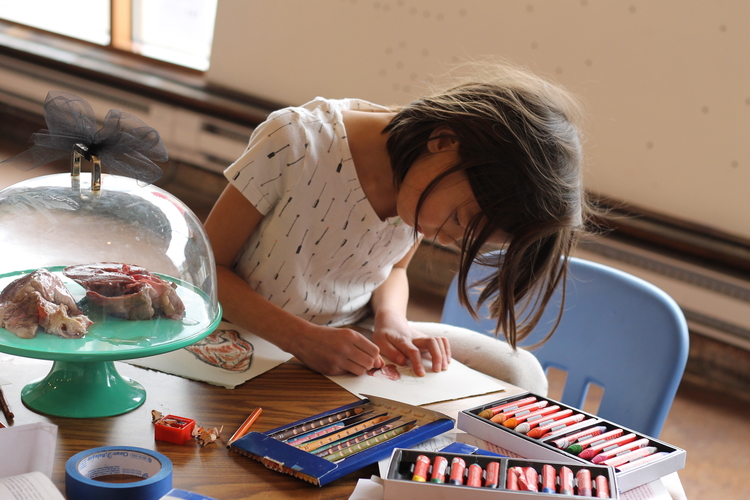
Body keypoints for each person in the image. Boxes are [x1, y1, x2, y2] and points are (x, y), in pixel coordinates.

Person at [204, 61, 592, 394]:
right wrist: (301, 339)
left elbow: (395, 267)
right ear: (443, 141)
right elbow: (206, 272)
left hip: (350, 333)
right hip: (249, 330)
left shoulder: (428, 182)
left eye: (466, 238)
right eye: (459, 220)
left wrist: (392, 321)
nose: (448, 238)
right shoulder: (296, 141)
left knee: (519, 371)